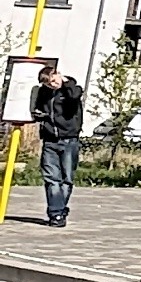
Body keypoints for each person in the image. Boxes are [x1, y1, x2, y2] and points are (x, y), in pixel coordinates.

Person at [28, 57, 84, 227]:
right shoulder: (44, 93)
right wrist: (40, 116)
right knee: (52, 179)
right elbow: (36, 108)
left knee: (67, 179)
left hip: (69, 140)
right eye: (48, 83)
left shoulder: (72, 89)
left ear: (59, 75)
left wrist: (65, 83)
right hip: (50, 140)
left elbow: (74, 96)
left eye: (54, 80)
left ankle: (60, 209)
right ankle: (56, 213)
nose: (52, 85)